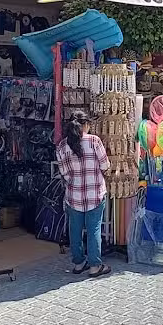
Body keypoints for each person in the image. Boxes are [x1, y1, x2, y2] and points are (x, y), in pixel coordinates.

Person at [56, 110, 112, 277]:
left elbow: (64, 173)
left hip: (74, 195)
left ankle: (79, 263)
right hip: (95, 193)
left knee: (75, 229)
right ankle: (95, 265)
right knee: (94, 228)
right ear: (86, 125)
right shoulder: (94, 141)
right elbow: (105, 165)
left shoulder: (62, 146)